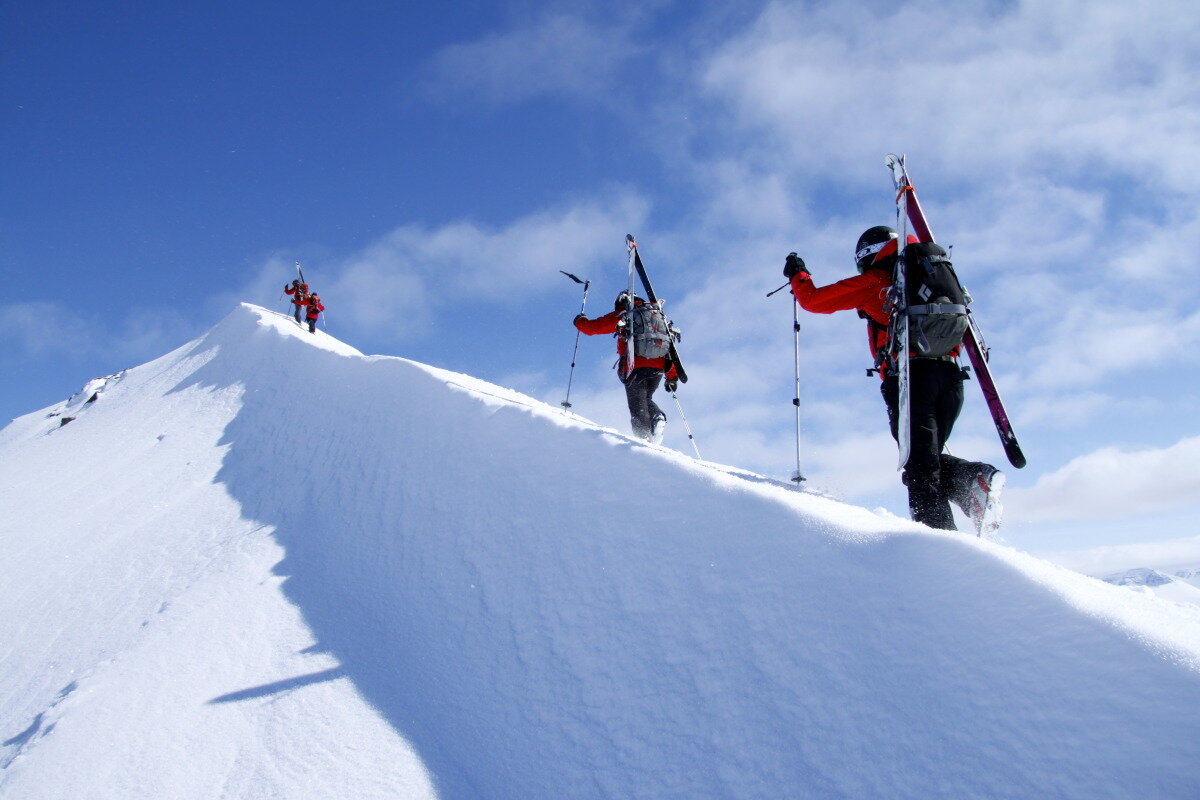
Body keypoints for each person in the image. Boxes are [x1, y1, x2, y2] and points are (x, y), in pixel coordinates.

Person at [784, 226, 1003, 533]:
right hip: (951, 377)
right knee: (925, 461)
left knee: (919, 469)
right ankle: (971, 490)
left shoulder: (877, 280)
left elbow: (814, 301)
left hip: (911, 381)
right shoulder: (935, 274)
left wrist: (798, 275)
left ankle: (944, 538)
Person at [574, 292, 679, 443]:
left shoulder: (625, 314)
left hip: (635, 365)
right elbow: (668, 346)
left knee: (637, 405)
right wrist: (672, 377)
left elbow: (592, 328)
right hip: (659, 366)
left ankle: (644, 439)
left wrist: (580, 320)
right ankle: (655, 421)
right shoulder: (656, 316)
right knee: (645, 398)